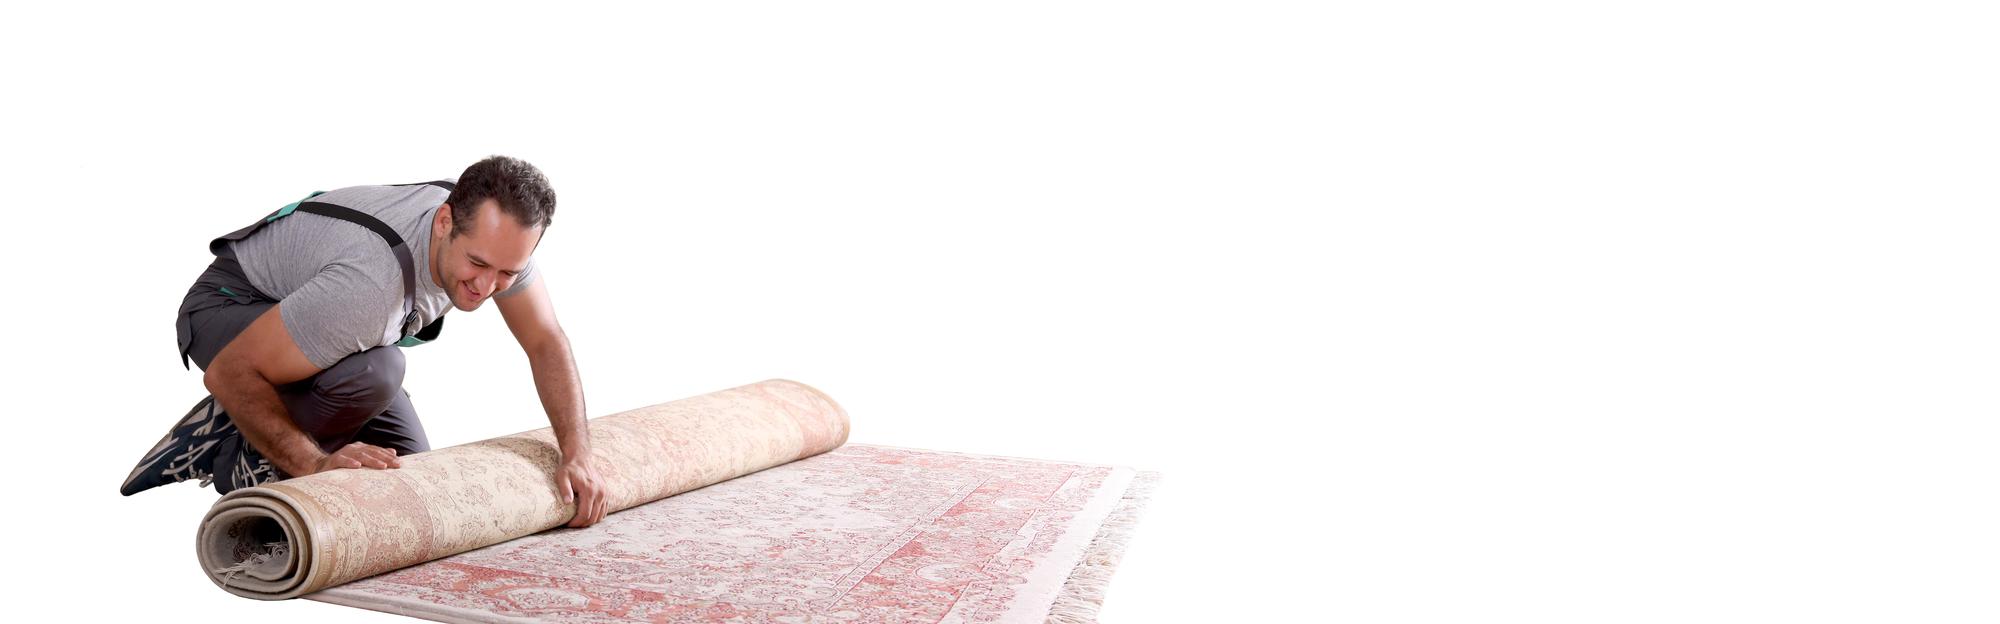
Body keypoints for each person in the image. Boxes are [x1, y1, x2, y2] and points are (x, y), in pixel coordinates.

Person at [120, 155, 608, 528]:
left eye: (507, 273)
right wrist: (313, 463)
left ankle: (261, 424)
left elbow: (546, 342)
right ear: (444, 222)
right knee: (378, 371)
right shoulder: (370, 288)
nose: (486, 286)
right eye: (476, 264)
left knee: (417, 483)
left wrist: (576, 454)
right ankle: (235, 455)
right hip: (230, 309)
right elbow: (229, 371)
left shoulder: (497, 239)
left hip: (321, 322)